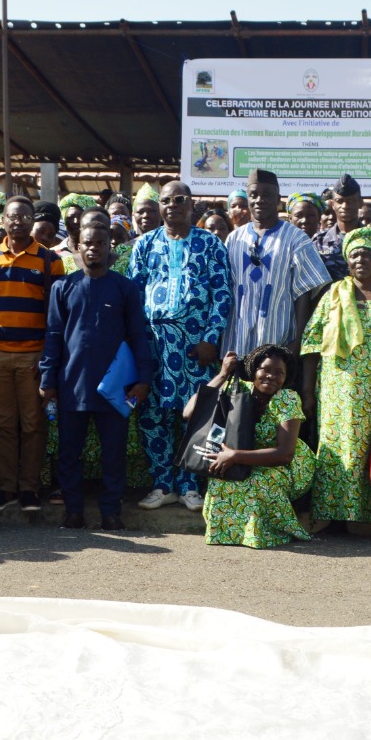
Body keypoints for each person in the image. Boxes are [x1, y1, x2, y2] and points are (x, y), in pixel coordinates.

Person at [41, 221, 154, 530]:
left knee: (113, 453)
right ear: (78, 248)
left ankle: (111, 511)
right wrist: (47, 381)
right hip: (71, 384)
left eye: (100, 244)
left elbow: (138, 335)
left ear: (109, 248)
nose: (93, 249)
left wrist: (143, 379)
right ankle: (73, 511)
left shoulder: (125, 288)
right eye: (87, 244)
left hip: (114, 386)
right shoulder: (63, 287)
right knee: (69, 453)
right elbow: (52, 335)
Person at [129, 181, 233, 512]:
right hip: (154, 346)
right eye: (166, 200)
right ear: (158, 207)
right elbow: (133, 296)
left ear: (192, 206)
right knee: (153, 415)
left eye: (180, 199)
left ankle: (190, 485)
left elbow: (222, 294)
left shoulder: (211, 244)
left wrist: (211, 339)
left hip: (195, 348)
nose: (173, 205)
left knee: (196, 415)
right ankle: (163, 485)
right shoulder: (145, 244)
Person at [0, 195, 66, 513]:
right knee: (1, 423)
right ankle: (6, 486)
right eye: (13, 216)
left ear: (32, 221)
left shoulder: (50, 260)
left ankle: (29, 488)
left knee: (34, 423)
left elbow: (56, 312)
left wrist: (50, 355)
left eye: (25, 217)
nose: (19, 221)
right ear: (3, 220)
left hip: (33, 355)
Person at [299, 228, 371, 531]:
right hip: (337, 391)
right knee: (337, 449)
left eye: (367, 254)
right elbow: (311, 343)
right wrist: (307, 389)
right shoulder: (333, 294)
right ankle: (334, 519)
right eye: (354, 254)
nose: (360, 259)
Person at [197, 347, 315, 548]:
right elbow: (190, 412)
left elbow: (284, 454)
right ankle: (228, 535)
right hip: (241, 457)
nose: (271, 376)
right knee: (221, 480)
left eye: (280, 373)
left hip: (286, 466)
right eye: (265, 370)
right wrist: (223, 374)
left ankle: (267, 533)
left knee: (258, 483)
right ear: (254, 370)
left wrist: (234, 456)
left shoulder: (287, 399)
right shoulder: (238, 390)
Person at [223, 169, 331, 356]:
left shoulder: (296, 239)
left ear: (278, 199)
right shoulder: (234, 238)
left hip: (277, 346)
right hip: (236, 343)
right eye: (253, 195)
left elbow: (306, 293)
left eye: (266, 195)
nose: (259, 200)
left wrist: (297, 342)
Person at [312, 173, 362, 281]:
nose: (345, 206)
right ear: (333, 204)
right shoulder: (319, 242)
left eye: (350, 201)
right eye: (340, 201)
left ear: (360, 202)